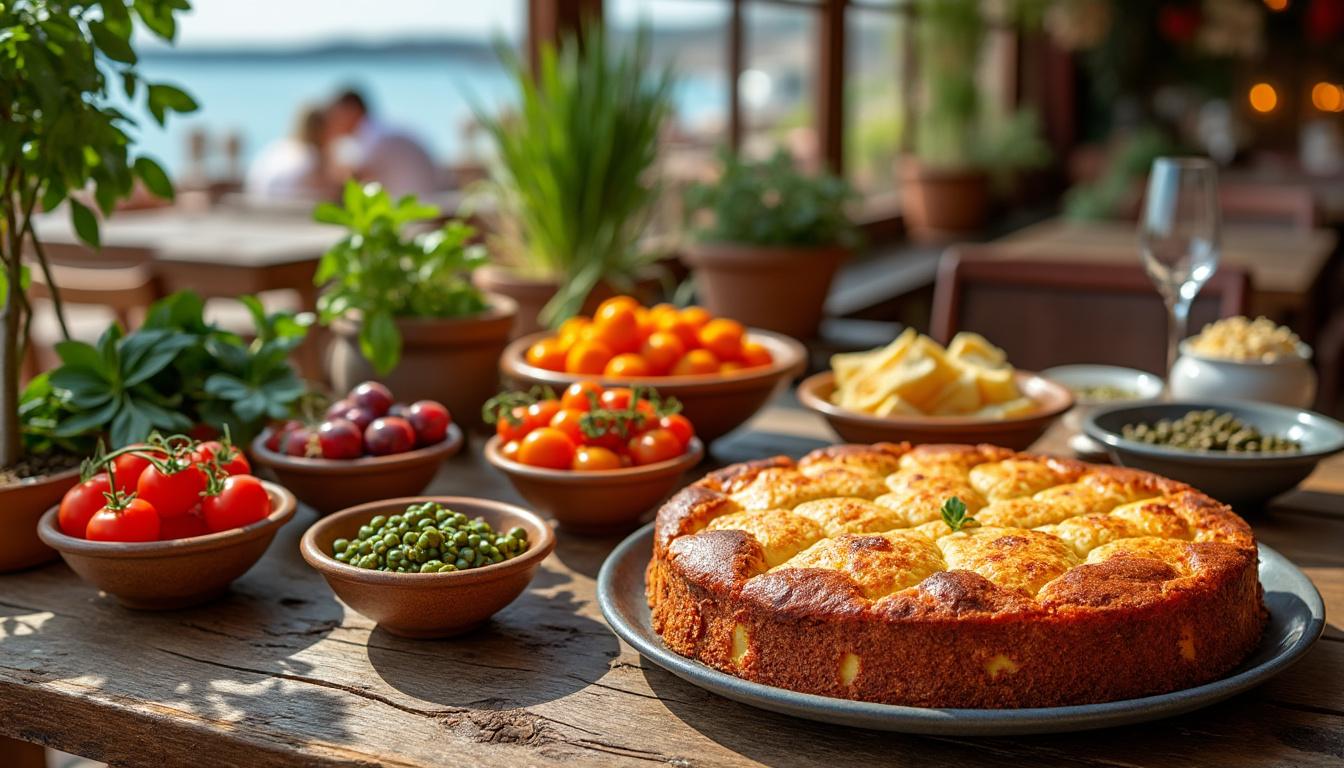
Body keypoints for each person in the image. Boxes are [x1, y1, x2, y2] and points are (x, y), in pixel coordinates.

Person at [324, 88, 438, 198]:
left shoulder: (372, 135)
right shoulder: (379, 130)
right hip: (423, 199)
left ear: (352, 109)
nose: (333, 120)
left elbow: (353, 180)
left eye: (336, 113)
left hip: (413, 206)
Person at [244, 105, 334, 201]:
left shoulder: (277, 147)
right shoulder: (310, 155)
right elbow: (328, 191)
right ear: (321, 129)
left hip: (255, 205)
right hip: (282, 209)